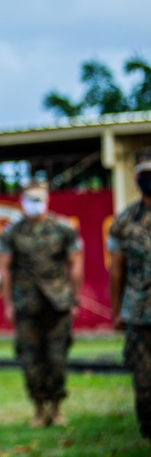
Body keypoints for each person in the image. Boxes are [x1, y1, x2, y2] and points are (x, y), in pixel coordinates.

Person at [0, 181, 83, 427]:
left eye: (38, 198)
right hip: (26, 304)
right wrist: (8, 303)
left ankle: (56, 409)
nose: (34, 204)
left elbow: (75, 263)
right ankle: (38, 409)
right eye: (30, 199)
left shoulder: (63, 228)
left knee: (57, 359)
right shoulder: (11, 233)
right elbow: (4, 270)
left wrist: (74, 298)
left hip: (58, 303)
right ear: (21, 201)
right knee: (30, 359)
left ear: (47, 200)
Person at [108, 148, 151, 444]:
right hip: (138, 311)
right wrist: (117, 311)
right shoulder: (124, 221)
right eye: (145, 175)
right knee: (144, 379)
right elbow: (116, 270)